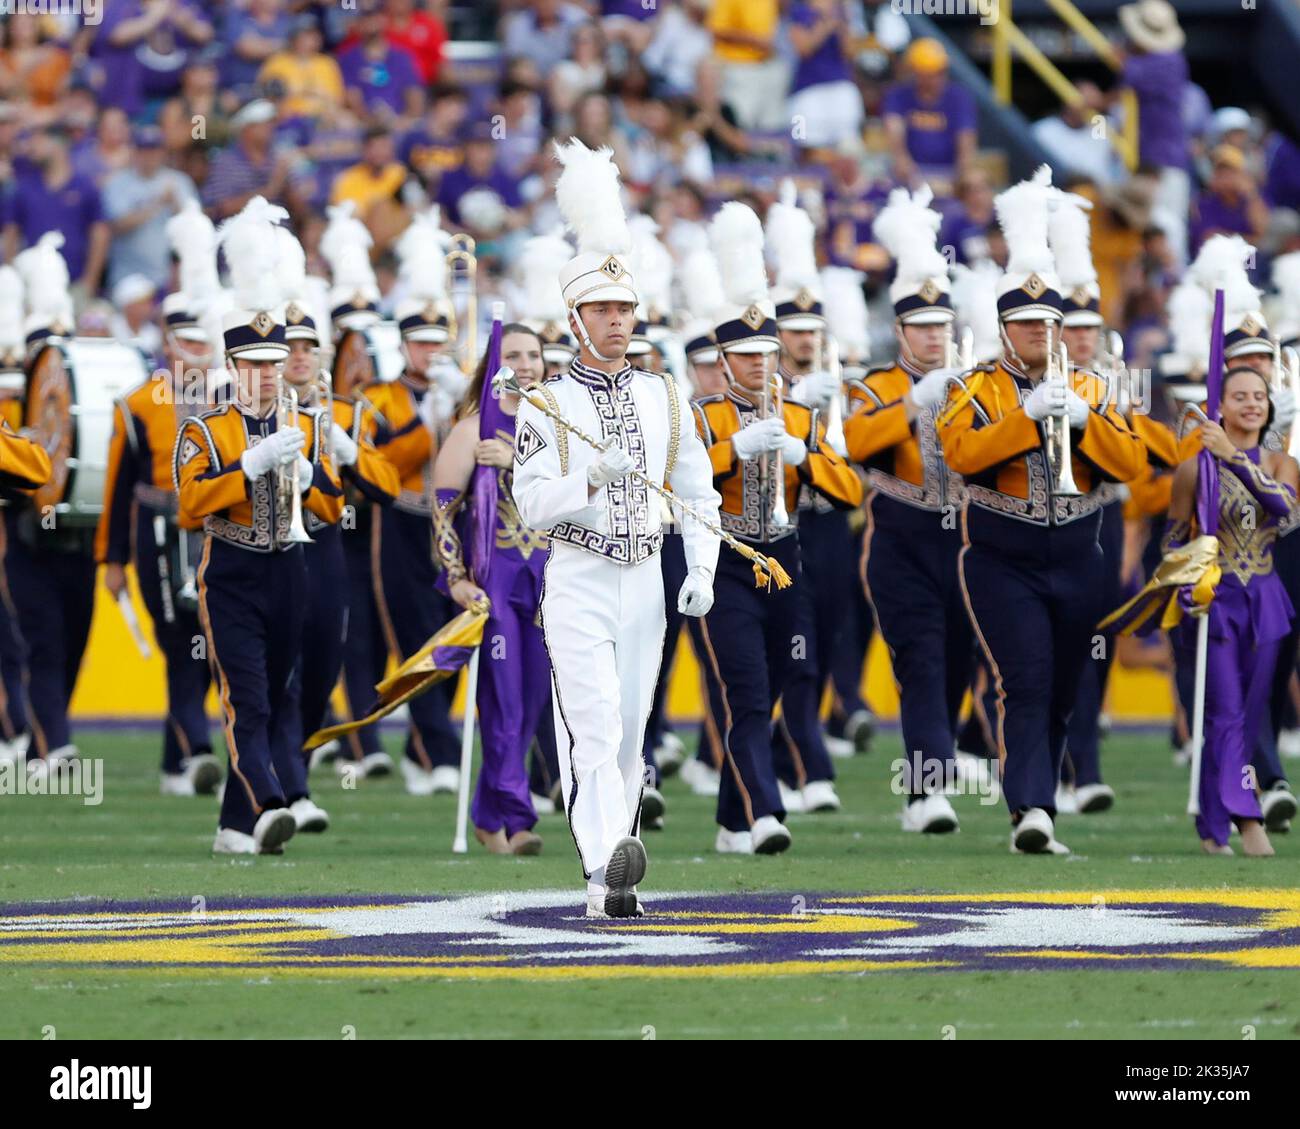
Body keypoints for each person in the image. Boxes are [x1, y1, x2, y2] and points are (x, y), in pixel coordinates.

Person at [511, 139, 721, 917]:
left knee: (632, 734)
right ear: (573, 317)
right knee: (592, 727)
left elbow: (697, 488)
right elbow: (530, 505)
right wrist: (582, 481)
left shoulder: (666, 395)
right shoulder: (546, 403)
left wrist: (701, 567)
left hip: (649, 574)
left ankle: (617, 871)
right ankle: (603, 870)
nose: (615, 320)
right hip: (579, 573)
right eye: (601, 309)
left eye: (624, 308)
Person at [936, 167, 1145, 855]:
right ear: (1002, 327)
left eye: (1046, 322)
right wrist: (1024, 418)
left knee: (1064, 682)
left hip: (1080, 549)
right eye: (1023, 322)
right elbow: (960, 454)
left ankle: (1040, 793)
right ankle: (1031, 808)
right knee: (1022, 678)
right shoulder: (972, 387)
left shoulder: (1094, 384)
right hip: (1002, 552)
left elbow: (1134, 464)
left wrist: (1088, 421)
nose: (1035, 332)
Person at [174, 198, 344, 854]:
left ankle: (232, 825)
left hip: (291, 568)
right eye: (255, 365)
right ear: (233, 367)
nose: (268, 375)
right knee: (246, 697)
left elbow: (332, 506)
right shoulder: (206, 428)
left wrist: (311, 481)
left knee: (272, 696)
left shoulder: (307, 422)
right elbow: (192, 504)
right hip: (234, 570)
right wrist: (247, 466)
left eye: (275, 364)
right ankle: (272, 804)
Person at [694, 201, 861, 855]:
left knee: (780, 679)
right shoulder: (703, 414)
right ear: (724, 359)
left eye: (768, 352)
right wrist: (729, 452)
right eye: (746, 354)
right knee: (745, 690)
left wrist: (807, 457)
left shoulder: (799, 417)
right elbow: (676, 488)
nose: (762, 364)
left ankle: (733, 819)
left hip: (785, 557)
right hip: (726, 557)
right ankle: (765, 810)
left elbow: (848, 488)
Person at [844, 186, 968, 833]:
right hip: (901, 536)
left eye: (940, 327)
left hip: (969, 540)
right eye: (920, 327)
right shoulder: (877, 383)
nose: (931, 337)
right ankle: (926, 791)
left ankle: (935, 771)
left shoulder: (975, 379)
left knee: (960, 663)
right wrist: (916, 401)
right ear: (899, 330)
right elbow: (855, 442)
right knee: (920, 658)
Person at [97, 266, 220, 797]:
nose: (194, 350)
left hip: (215, 532)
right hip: (159, 533)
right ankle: (198, 751)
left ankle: (177, 764)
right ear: (168, 344)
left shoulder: (228, 397)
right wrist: (112, 559)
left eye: (201, 339)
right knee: (180, 643)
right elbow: (117, 489)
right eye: (185, 340)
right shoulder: (139, 403)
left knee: (208, 644)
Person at [1167, 369, 1298, 856]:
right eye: (1239, 396)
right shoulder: (1192, 470)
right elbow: (1172, 540)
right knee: (1223, 712)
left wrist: (1234, 458)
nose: (1251, 404)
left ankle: (1209, 816)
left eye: (1259, 397)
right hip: (1216, 605)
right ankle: (1248, 818)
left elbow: (1281, 505)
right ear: (1219, 406)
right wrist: (1187, 580)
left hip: (1265, 603)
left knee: (1247, 713)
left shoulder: (1283, 463)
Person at [433, 323, 550, 856]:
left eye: (534, 355)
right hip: (497, 577)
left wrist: (519, 460)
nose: (526, 364)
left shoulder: (560, 427)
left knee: (533, 702)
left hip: (551, 578)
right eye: (514, 355)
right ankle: (517, 818)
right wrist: (457, 579)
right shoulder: (473, 429)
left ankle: (491, 814)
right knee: (502, 699)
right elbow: (441, 509)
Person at [363, 211, 465, 795]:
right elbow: (381, 465)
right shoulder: (379, 397)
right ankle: (435, 749)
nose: (429, 353)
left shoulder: (461, 388)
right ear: (403, 344)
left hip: (454, 521)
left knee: (454, 633)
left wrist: (462, 409)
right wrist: (425, 426)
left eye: (437, 342)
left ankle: (424, 745)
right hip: (401, 521)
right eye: (420, 343)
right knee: (415, 633)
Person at [765, 184, 849, 811]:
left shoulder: (837, 381)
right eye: (792, 331)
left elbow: (852, 468)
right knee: (790, 647)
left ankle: (797, 747)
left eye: (811, 330)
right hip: (778, 521)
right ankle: (806, 764)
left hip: (829, 524)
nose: (803, 341)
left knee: (821, 640)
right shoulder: (762, 387)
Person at [103, 126, 199, 293]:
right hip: (128, 278)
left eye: (154, 150)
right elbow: (117, 225)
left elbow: (195, 227)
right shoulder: (117, 183)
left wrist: (175, 202)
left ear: (162, 152)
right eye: (143, 150)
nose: (149, 156)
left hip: (170, 278)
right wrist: (159, 203)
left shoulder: (179, 181)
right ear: (134, 152)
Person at [882, 38, 976, 195]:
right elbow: (894, 132)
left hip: (948, 172)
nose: (937, 78)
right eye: (930, 74)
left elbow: (966, 142)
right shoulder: (898, 95)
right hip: (912, 173)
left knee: (975, 181)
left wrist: (959, 178)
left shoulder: (959, 97)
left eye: (940, 72)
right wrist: (906, 166)